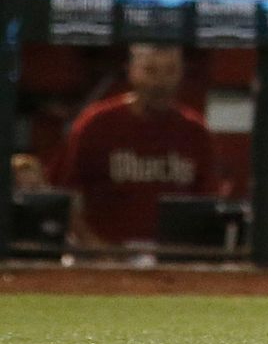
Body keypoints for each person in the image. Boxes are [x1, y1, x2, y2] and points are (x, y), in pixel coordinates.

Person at [61, 45, 214, 249]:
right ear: (131, 71)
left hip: (172, 260)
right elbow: (65, 195)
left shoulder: (195, 130)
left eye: (170, 71)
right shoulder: (97, 124)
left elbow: (207, 202)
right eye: (150, 70)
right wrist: (95, 247)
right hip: (104, 257)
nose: (160, 82)